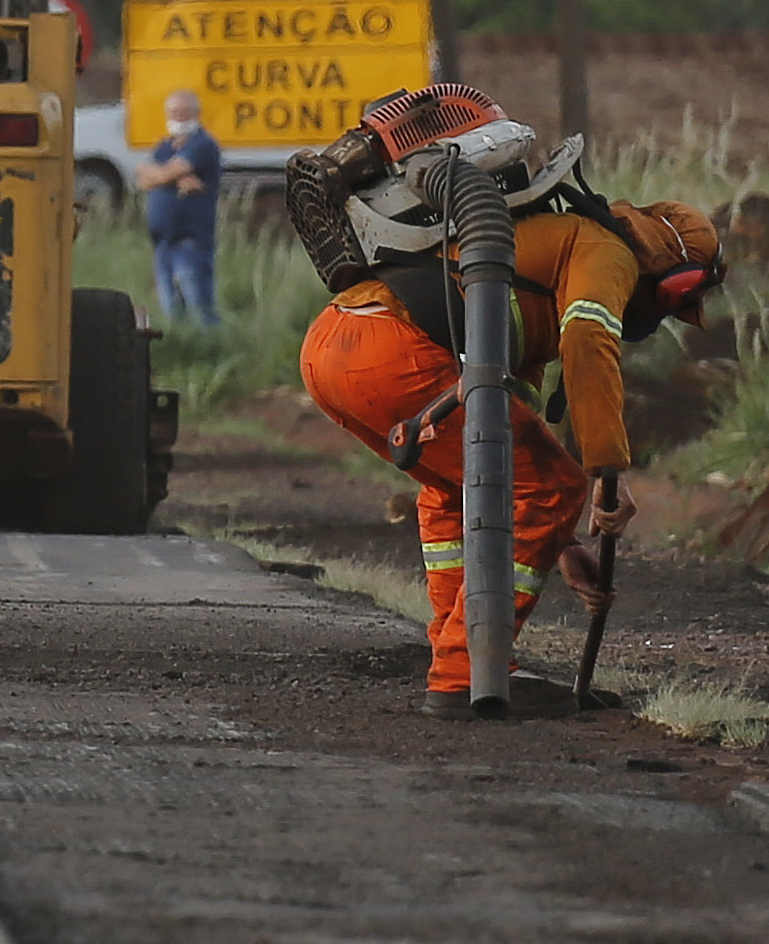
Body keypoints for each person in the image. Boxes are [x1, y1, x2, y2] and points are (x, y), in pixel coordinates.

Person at [280, 89, 723, 717]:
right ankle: (466, 671)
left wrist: (560, 542)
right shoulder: (607, 249)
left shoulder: (544, 248)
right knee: (552, 485)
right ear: (672, 268)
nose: (667, 314)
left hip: (333, 347)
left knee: (457, 489)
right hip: (390, 352)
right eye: (681, 298)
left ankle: (466, 658)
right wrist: (604, 474)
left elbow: (509, 428)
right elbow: (588, 336)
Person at [138, 87, 230, 327]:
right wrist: (170, 178)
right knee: (170, 309)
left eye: (183, 112)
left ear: (195, 114)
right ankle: (182, 350)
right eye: (173, 112)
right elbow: (143, 176)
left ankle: (210, 352)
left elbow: (159, 175)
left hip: (189, 239)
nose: (177, 117)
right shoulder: (165, 146)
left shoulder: (202, 144)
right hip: (163, 241)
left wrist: (163, 176)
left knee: (198, 305)